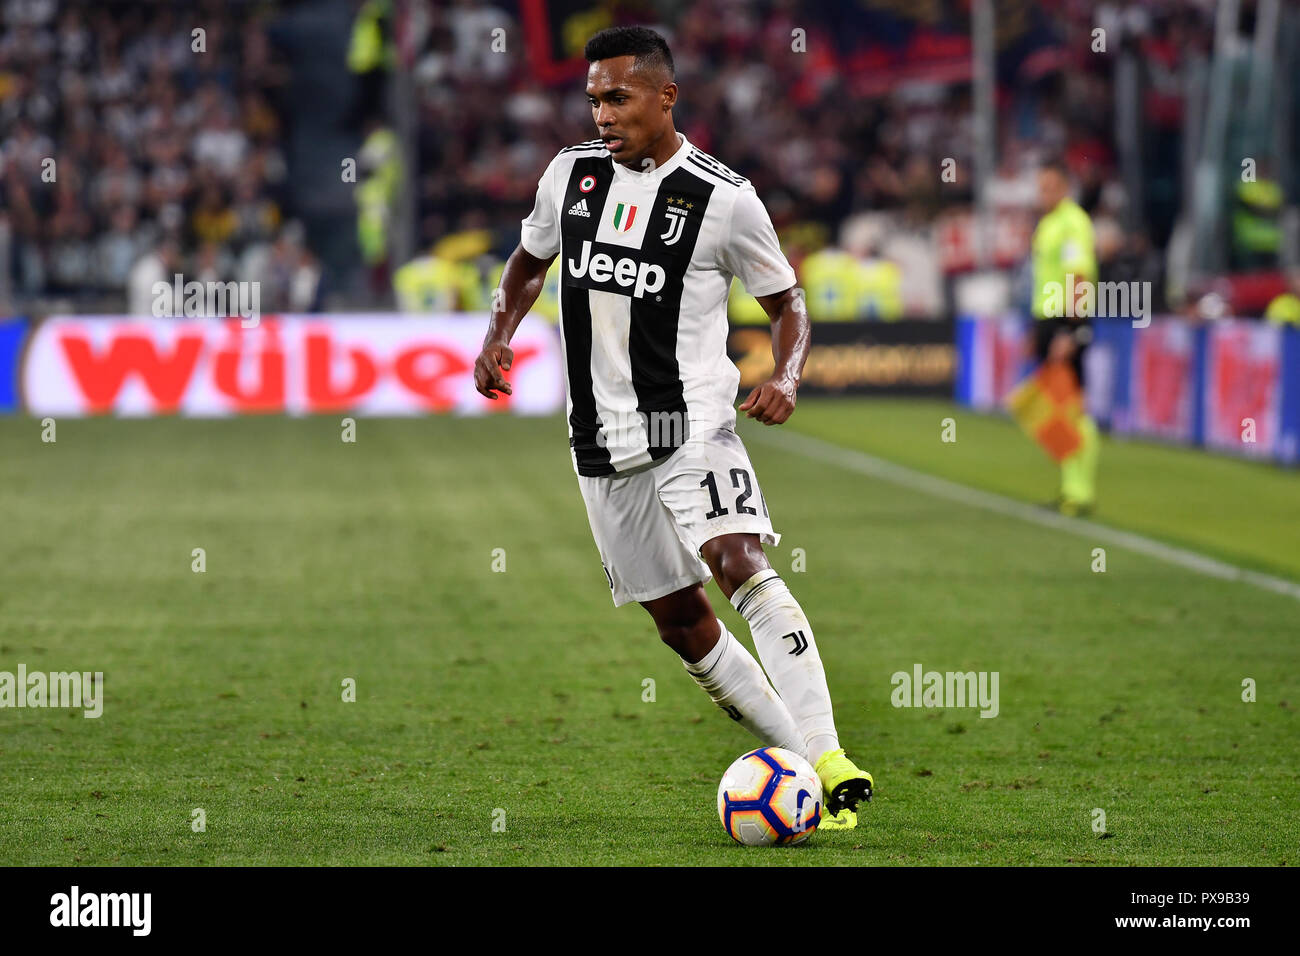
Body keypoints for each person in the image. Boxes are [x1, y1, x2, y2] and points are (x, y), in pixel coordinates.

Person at [473, 26, 873, 830]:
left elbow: (786, 302)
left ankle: (827, 759)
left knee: (738, 561)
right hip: (598, 438)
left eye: (617, 97)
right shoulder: (570, 176)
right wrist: (499, 331)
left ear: (665, 96)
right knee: (681, 623)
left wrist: (785, 376)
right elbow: (528, 261)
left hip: (691, 423)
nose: (602, 114)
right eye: (592, 99)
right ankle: (802, 763)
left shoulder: (724, 199)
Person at [1028, 158, 1100, 515]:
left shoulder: (1073, 223)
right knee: (1055, 407)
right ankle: (1069, 485)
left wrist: (1072, 330)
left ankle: (1080, 491)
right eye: (1041, 187)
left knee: (1073, 406)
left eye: (1050, 187)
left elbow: (1078, 277)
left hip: (1064, 321)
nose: (1044, 194)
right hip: (1048, 318)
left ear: (1065, 187)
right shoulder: (1048, 224)